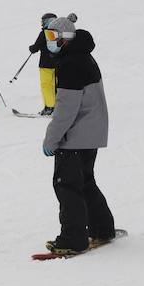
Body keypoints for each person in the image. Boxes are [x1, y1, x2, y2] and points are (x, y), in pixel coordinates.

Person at [40, 13, 115, 256]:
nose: (49, 41)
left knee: (67, 186)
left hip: (75, 137)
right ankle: (102, 228)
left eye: (52, 36)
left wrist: (51, 140)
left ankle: (73, 238)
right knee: (85, 182)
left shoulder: (71, 64)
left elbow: (65, 111)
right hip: (90, 134)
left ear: (65, 38)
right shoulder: (84, 56)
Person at [27, 12, 61, 116]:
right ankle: (57, 107)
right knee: (55, 86)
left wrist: (31, 48)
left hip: (46, 65)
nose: (42, 23)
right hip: (58, 64)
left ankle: (49, 108)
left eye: (43, 21)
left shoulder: (44, 33)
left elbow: (36, 47)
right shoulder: (59, 33)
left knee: (46, 86)